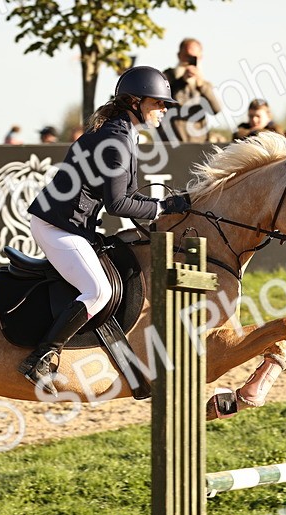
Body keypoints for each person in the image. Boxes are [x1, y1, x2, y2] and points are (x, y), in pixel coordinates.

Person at [20, 65, 191, 392]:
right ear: (134, 102)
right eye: (158, 103)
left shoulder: (124, 133)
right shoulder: (116, 140)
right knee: (99, 291)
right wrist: (162, 208)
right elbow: (117, 204)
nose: (164, 109)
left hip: (73, 224)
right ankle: (40, 358)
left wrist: (163, 210)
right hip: (56, 227)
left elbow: (130, 195)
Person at [160, 38, 223, 143]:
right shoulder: (166, 78)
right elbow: (166, 101)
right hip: (169, 144)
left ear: (200, 58)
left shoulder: (204, 85)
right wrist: (182, 81)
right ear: (179, 56)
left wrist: (201, 86)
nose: (189, 61)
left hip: (197, 144)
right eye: (187, 56)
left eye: (194, 57)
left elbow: (216, 109)